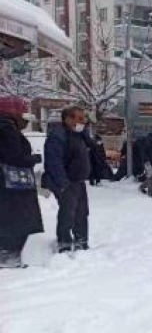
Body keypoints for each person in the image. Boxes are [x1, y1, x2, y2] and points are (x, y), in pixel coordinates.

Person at [0, 99, 44, 268]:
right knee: (19, 220)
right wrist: (34, 159)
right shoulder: (7, 129)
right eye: (23, 117)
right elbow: (14, 156)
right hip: (12, 185)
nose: (26, 122)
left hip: (7, 185)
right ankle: (8, 257)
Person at [44, 108, 91, 253]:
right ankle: (64, 242)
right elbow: (54, 161)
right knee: (68, 212)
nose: (83, 121)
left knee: (82, 212)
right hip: (66, 181)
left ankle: (81, 240)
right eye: (79, 118)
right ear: (68, 119)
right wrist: (63, 183)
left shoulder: (78, 135)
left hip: (78, 180)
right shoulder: (58, 136)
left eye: (84, 118)